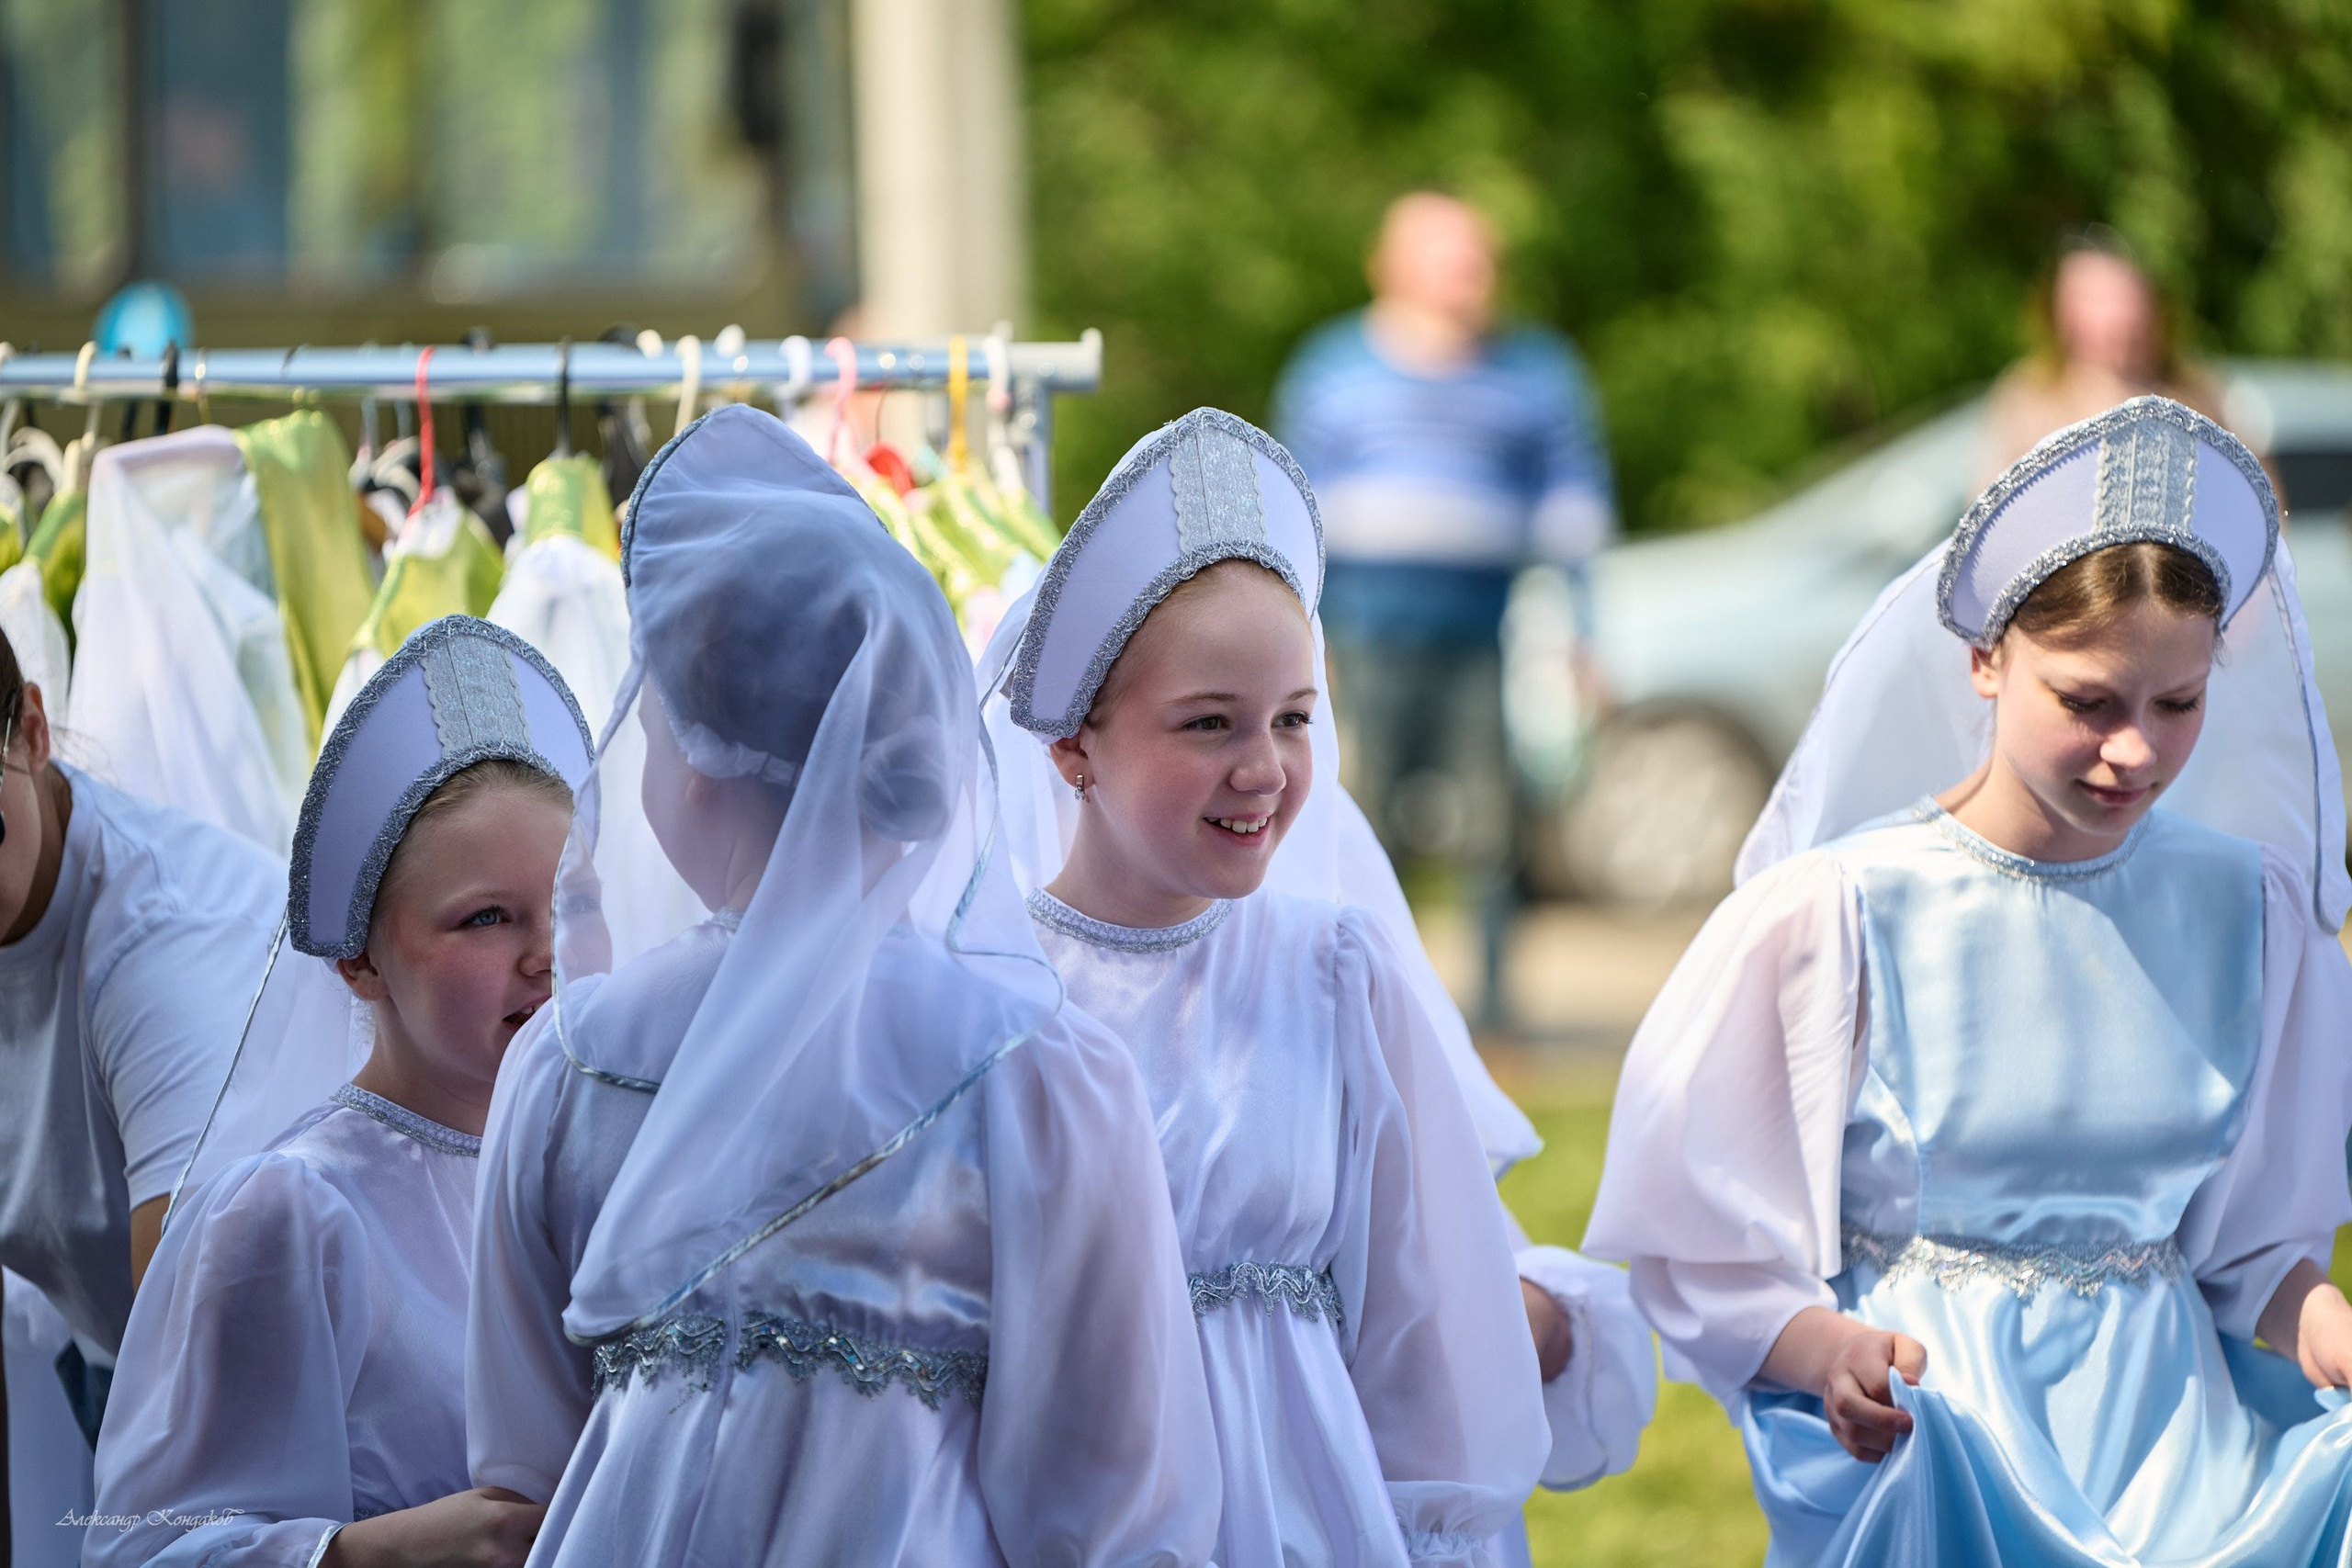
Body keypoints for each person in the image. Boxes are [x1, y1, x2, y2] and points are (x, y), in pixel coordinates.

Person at [1589, 396, 2352, 1564]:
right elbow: (1707, 1242)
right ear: (1987, 660)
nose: (2135, 749)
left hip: (2169, 1453)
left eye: (2177, 704)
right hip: (1950, 1435)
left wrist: (2320, 1316)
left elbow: (2246, 1248)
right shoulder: (1842, 910)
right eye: (2087, 702)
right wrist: (1820, 1351)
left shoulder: (2243, 912)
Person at [465, 405, 1219, 1566]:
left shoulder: (569, 1062)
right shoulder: (1038, 1078)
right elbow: (1110, 1502)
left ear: (699, 767)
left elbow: (528, 1459)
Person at [983, 406, 1580, 1566]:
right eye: (1208, 725)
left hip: (1302, 1511)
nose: (1262, 769)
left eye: (1294, 721)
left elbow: (1417, 1318)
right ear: (1073, 749)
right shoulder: (996, 998)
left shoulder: (1334, 978)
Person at [89, 616, 593, 1568]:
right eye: (485, 918)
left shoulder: (608, 1162)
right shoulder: (293, 1215)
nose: (547, 955)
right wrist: (370, 1553)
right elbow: (143, 1550)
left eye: (567, 903)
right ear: (359, 959)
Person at [1273, 190, 1616, 1026]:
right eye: (1448, 260)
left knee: (1492, 832)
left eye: (1478, 260)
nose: (1469, 278)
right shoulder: (1331, 371)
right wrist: (1294, 637)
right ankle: (1362, 998)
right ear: (1388, 267)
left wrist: (1583, 630)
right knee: (1361, 818)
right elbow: (1292, 514)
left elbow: (1574, 508)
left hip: (1483, 631)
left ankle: (1493, 1014)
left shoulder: (1537, 374)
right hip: (1363, 633)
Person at [0, 626, 282, 1558]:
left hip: (257, 1391)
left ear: (32, 731)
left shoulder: (160, 942)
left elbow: (199, 1340)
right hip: (102, 1347)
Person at [1979, 228, 2229, 482]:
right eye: (2092, 299)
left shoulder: (2196, 392)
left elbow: (2255, 497)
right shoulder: (2030, 399)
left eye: (2123, 297)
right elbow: (1992, 509)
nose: (2113, 316)